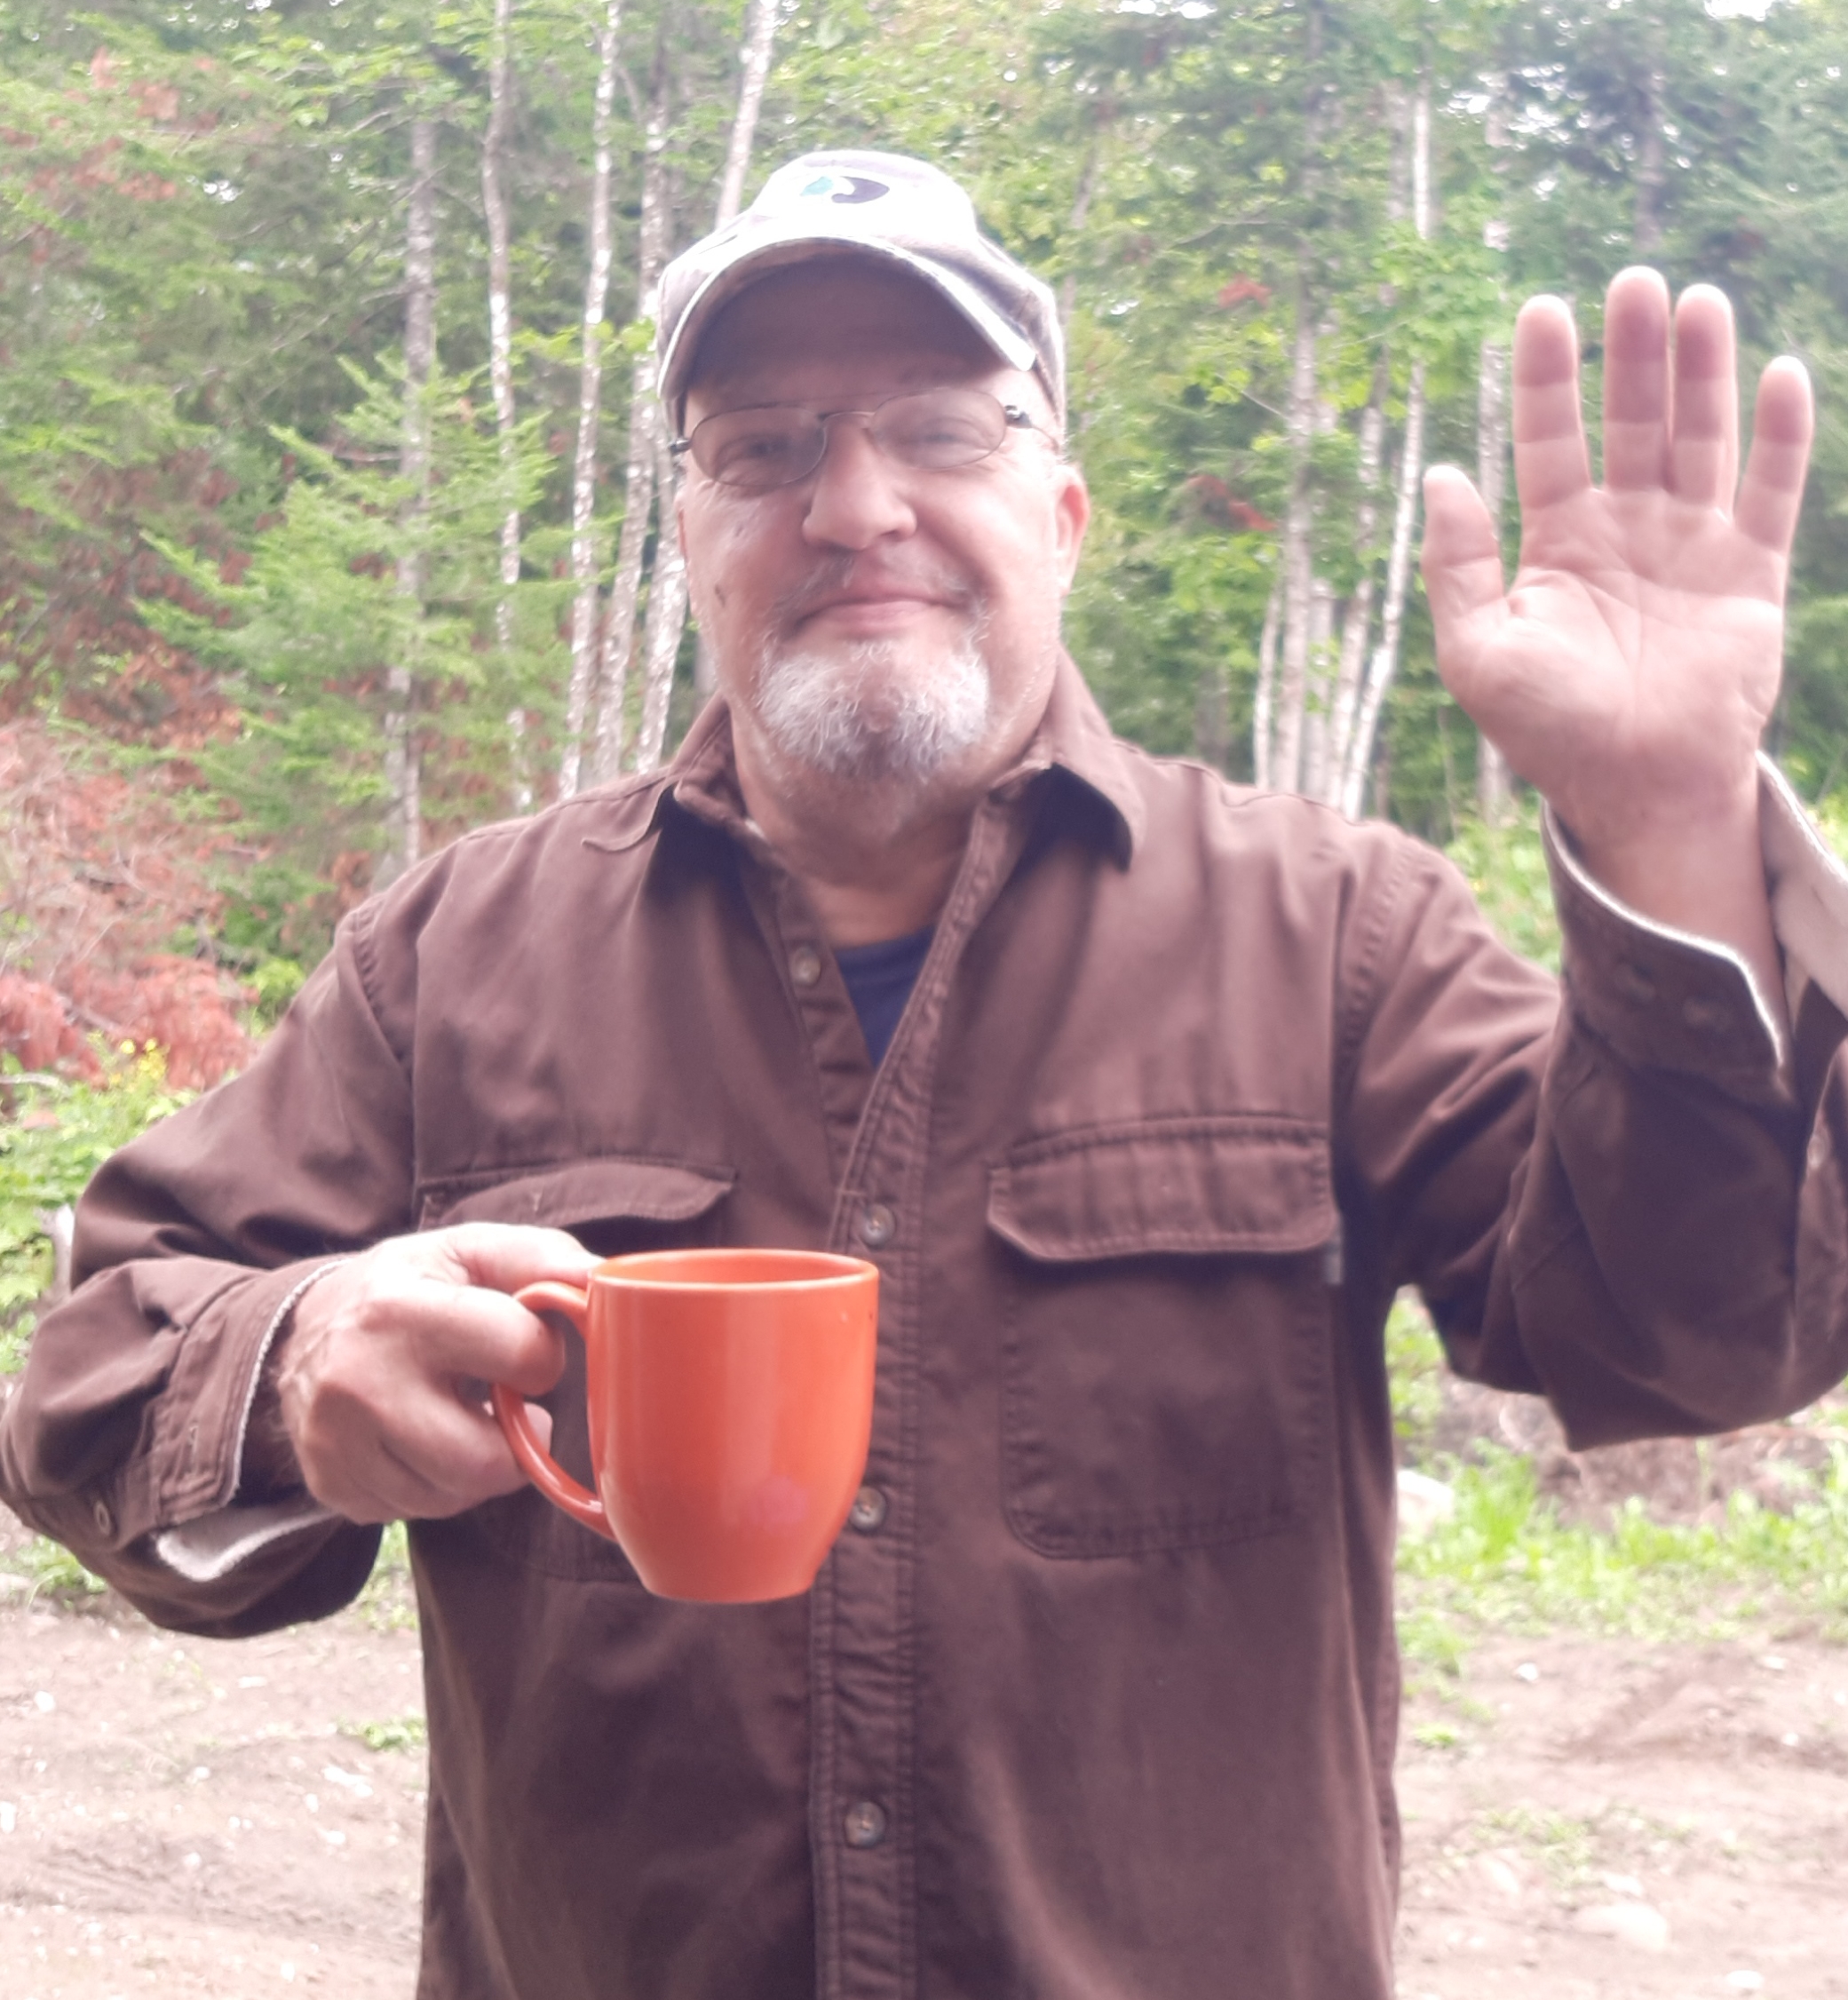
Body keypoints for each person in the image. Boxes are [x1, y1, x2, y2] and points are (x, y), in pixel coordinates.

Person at [3, 148, 1846, 2000]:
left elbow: (1693, 1334)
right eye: (763, 449)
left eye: (942, 432)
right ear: (691, 540)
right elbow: (82, 1384)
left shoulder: (1335, 934)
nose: (855, 505)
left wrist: (1665, 826)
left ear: (1064, 513)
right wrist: (293, 1360)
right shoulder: (453, 957)